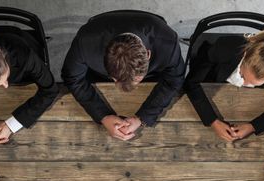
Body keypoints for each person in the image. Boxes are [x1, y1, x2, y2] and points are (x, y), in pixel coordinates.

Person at [62, 11, 185, 141]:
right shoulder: (85, 42)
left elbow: (175, 79)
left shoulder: (168, 42)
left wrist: (142, 118)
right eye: (116, 79)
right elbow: (72, 78)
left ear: (148, 55)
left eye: (137, 79)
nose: (127, 87)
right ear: (104, 60)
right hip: (100, 75)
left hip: (153, 76)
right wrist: (103, 116)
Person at [184, 29, 264, 141]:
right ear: (245, 54)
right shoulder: (224, 48)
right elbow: (191, 82)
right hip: (214, 76)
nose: (243, 84)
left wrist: (253, 126)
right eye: (242, 76)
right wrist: (212, 120)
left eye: (253, 84)